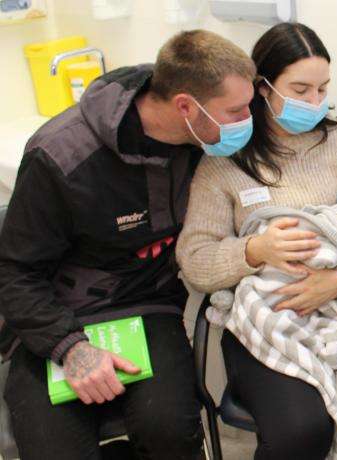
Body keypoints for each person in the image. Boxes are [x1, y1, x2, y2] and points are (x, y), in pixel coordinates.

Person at [0, 30, 255, 459]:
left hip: (147, 306)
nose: (248, 120)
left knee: (171, 432)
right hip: (57, 314)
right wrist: (70, 348)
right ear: (185, 107)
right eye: (236, 111)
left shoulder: (202, 139)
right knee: (53, 449)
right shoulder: (61, 155)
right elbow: (14, 272)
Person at [176, 22, 337, 459]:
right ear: (263, 88)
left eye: (323, 89)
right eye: (301, 89)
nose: (315, 102)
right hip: (271, 320)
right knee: (300, 431)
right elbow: (194, 260)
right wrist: (253, 251)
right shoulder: (223, 162)